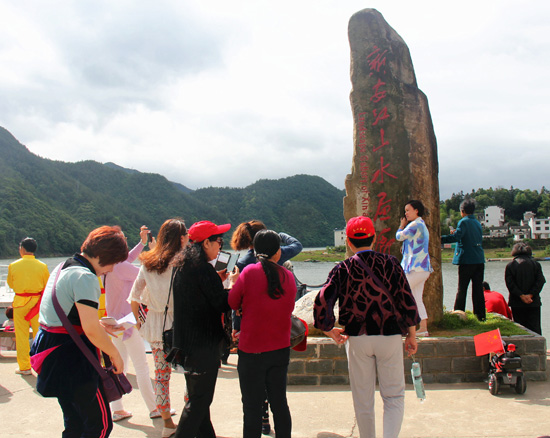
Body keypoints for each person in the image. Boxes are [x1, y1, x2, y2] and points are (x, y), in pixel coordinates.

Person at [314, 216, 419, 438]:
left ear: (349, 242)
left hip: (357, 338)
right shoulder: (391, 263)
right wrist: (411, 334)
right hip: (389, 335)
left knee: (363, 399)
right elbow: (407, 299)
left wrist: (328, 329)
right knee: (394, 396)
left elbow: (322, 301)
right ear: (374, 238)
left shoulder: (343, 268)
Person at [30, 226, 128, 438]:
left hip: (52, 351)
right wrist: (115, 354)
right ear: (103, 256)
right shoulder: (85, 277)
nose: (111, 269)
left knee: (74, 423)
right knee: (99, 426)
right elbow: (91, 330)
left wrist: (98, 324)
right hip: (73, 358)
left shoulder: (63, 267)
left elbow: (61, 317)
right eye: (113, 262)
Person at [230, 220, 302, 434]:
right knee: (279, 403)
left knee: (251, 407)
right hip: (279, 348)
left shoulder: (248, 272)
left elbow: (233, 302)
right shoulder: (287, 275)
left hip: (251, 350)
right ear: (278, 252)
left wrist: (234, 284)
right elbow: (289, 307)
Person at [170, 220, 231, 438]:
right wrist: (233, 285)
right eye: (218, 241)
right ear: (206, 243)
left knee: (199, 401)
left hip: (186, 343)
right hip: (203, 344)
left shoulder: (183, 265)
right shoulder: (204, 269)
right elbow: (222, 303)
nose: (220, 246)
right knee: (199, 402)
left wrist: (216, 281)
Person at [129, 218, 188, 438]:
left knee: (161, 376)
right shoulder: (183, 262)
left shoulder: (148, 262)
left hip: (156, 326)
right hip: (181, 325)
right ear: (180, 238)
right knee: (189, 374)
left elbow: (135, 296)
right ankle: (188, 418)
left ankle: (167, 423)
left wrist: (139, 322)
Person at [103, 225, 162, 422]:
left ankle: (117, 409)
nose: (125, 242)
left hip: (114, 322)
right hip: (128, 323)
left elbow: (128, 258)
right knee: (142, 367)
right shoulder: (121, 267)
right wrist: (154, 251)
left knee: (119, 365)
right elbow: (147, 276)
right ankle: (154, 408)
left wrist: (142, 244)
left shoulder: (110, 265)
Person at [7, 237, 50, 375]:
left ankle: (24, 367)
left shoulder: (13, 265)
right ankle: (41, 365)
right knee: (40, 334)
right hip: (37, 303)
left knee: (21, 336)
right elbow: (47, 285)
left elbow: (11, 284)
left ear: (22, 249)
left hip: (20, 303)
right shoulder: (42, 266)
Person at [441, 199, 486, 321]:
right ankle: (481, 316)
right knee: (478, 289)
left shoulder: (463, 222)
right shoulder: (477, 223)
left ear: (462, 211)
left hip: (467, 260)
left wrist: (441, 238)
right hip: (479, 259)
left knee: (462, 289)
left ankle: (459, 313)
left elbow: (456, 237)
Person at [395, 200, 433, 336]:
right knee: (417, 298)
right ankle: (423, 328)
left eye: (408, 210)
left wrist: (401, 226)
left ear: (416, 210)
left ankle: (401, 326)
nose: (406, 213)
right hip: (422, 269)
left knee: (399, 293)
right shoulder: (421, 224)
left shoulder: (415, 225)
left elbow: (399, 236)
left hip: (415, 269)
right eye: (405, 211)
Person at [505, 242, 546, 335]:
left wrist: (521, 295)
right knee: (535, 328)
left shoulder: (511, 265)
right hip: (533, 301)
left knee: (520, 328)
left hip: (517, 302)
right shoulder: (536, 264)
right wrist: (531, 295)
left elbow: (510, 284)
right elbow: (540, 281)